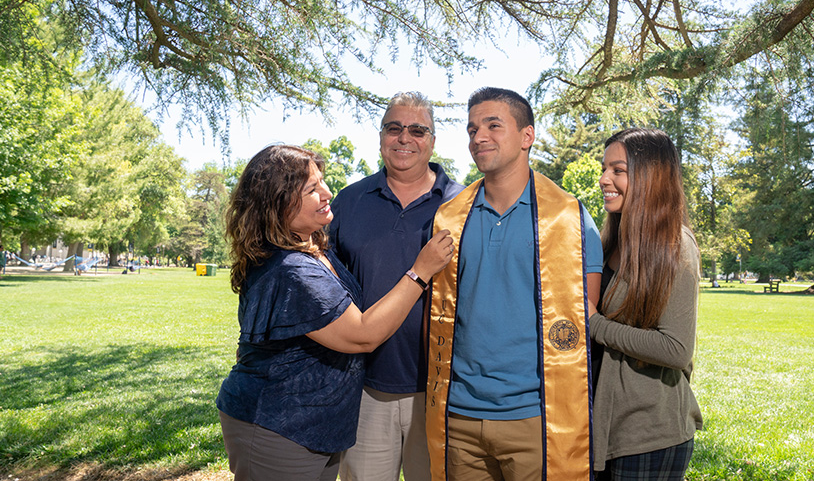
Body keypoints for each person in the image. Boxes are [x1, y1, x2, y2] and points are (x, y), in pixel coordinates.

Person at [215, 144, 455, 481]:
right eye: (312, 189)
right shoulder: (291, 269)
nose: (328, 193)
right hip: (278, 426)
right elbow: (362, 335)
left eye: (322, 182)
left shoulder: (311, 248)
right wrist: (420, 271)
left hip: (315, 428)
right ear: (278, 203)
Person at [426, 87, 603, 480]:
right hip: (460, 418)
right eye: (472, 129)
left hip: (538, 420)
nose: (478, 137)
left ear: (527, 136)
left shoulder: (569, 218)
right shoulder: (449, 218)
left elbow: (580, 325)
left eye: (493, 125)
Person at [328, 91, 464, 481]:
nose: (405, 138)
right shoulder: (349, 202)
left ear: (433, 141)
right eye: (394, 128)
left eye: (417, 130)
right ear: (381, 135)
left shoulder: (462, 204)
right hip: (362, 387)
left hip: (442, 389)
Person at [591, 128, 703, 481]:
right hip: (604, 427)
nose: (604, 179)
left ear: (650, 176)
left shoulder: (677, 247)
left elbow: (676, 349)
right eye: (605, 168)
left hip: (650, 435)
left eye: (618, 170)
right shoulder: (612, 238)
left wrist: (594, 324)